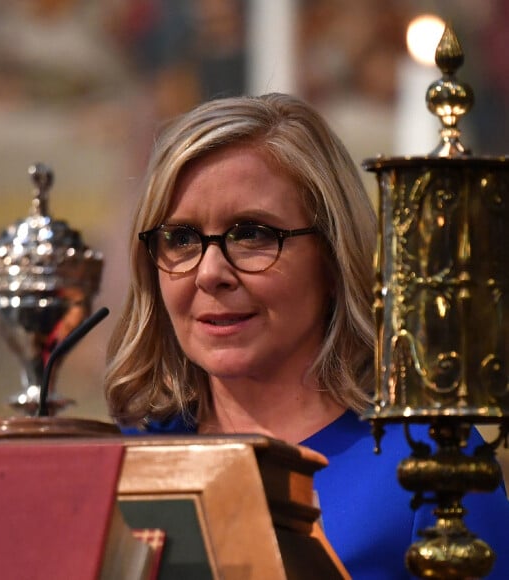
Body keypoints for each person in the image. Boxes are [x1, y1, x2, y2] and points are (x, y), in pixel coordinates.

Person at [104, 93, 509, 579]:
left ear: (334, 258)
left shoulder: (433, 465)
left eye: (252, 233)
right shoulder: (124, 466)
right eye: (182, 239)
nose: (210, 272)